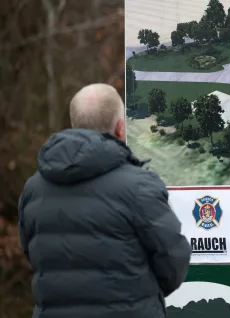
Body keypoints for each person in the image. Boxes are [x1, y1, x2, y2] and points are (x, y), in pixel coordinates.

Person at [18, 83, 192, 318]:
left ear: (75, 125)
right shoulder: (140, 186)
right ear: (121, 128)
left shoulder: (33, 189)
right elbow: (173, 262)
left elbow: (35, 255)